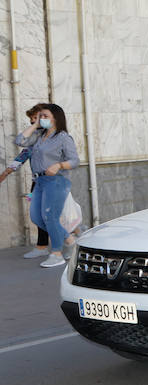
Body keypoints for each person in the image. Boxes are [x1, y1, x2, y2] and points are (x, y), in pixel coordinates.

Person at [25, 103, 80, 267]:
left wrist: (59, 165)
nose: (41, 119)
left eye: (45, 116)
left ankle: (56, 254)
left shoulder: (63, 137)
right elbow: (20, 141)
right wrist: (35, 124)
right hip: (39, 181)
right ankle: (70, 240)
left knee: (50, 217)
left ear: (56, 118)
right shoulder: (38, 136)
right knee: (37, 217)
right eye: (40, 116)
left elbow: (75, 161)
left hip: (56, 181)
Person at [1, 104, 53, 257]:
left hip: (53, 182)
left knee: (53, 215)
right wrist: (5, 173)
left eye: (36, 119)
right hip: (37, 183)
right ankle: (43, 246)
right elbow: (24, 154)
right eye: (32, 122)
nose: (35, 124)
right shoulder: (35, 137)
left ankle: (71, 238)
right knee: (38, 214)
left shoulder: (55, 135)